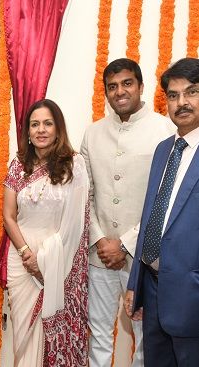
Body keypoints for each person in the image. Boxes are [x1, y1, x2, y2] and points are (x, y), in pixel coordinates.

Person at [80, 58, 174, 367]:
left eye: (127, 83)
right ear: (105, 92)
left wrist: (124, 244)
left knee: (145, 337)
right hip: (100, 256)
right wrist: (100, 240)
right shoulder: (92, 134)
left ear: (141, 86)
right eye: (112, 86)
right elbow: (85, 193)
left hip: (143, 258)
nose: (120, 91)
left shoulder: (165, 129)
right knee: (99, 335)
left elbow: (165, 198)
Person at [2, 99, 89, 366]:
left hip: (59, 261)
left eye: (48, 123)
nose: (41, 130)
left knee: (52, 338)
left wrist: (47, 263)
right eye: (35, 124)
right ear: (27, 130)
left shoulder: (74, 165)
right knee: (24, 337)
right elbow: (8, 215)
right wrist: (27, 253)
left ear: (58, 128)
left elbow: (76, 223)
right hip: (21, 259)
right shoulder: (18, 165)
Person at [125, 57, 199, 366]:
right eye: (173, 95)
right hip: (154, 291)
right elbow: (151, 218)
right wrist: (134, 283)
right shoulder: (163, 150)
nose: (181, 102)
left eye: (191, 92)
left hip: (192, 296)